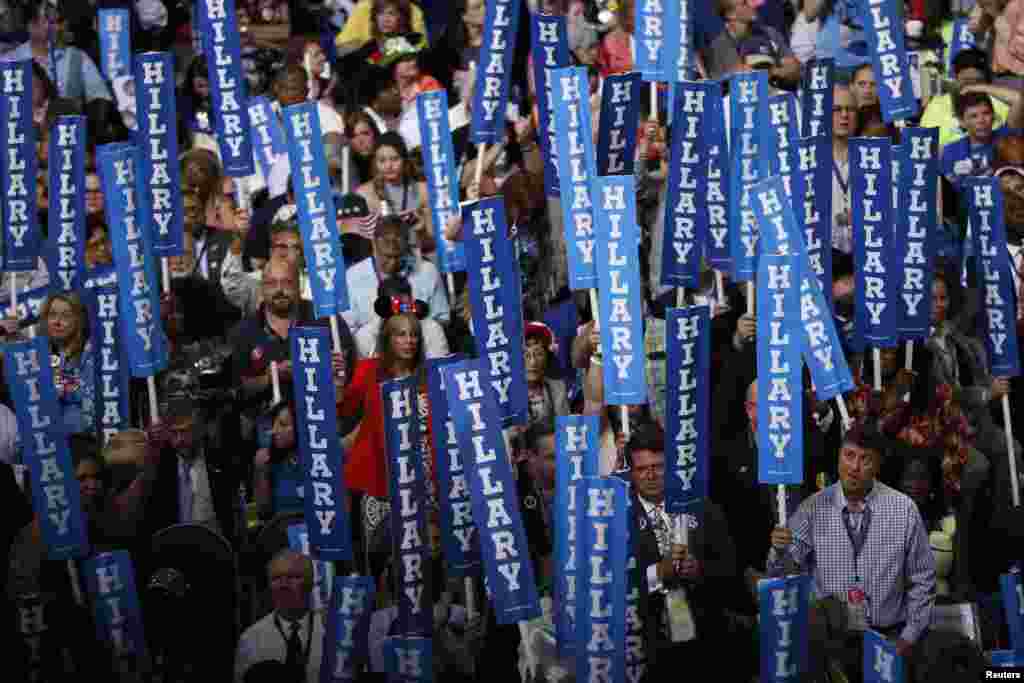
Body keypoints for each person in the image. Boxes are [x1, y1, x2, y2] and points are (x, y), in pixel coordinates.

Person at [768, 422, 936, 680]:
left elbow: (923, 579)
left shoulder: (904, 510)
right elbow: (785, 576)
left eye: (865, 460)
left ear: (877, 466)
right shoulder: (812, 509)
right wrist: (778, 552)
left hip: (889, 639)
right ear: (838, 458)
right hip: (831, 644)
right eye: (849, 456)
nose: (854, 467)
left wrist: (908, 638)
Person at [626, 423, 738, 679]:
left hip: (709, 639)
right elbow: (617, 585)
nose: (651, 475)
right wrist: (658, 573)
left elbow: (731, 566)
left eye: (658, 466)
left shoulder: (701, 506)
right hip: (652, 647)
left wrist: (700, 570)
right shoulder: (619, 519)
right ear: (631, 473)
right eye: (642, 469)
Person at [343, 216, 449, 336]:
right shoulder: (352, 276)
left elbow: (442, 320)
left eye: (398, 257)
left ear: (408, 246)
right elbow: (349, 328)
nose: (393, 263)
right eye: (387, 257)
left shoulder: (427, 271)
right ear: (374, 246)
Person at [235, 550, 324, 683]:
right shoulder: (251, 639)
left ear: (310, 583)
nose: (283, 585)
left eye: (293, 577)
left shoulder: (329, 631)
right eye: (276, 578)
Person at [920, 48, 1014, 151]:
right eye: (966, 81)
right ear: (956, 77)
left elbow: (1018, 101)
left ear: (985, 78)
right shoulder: (938, 104)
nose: (970, 87)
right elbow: (925, 143)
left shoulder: (1001, 103)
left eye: (976, 82)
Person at [39, 292, 94, 435]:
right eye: (52, 314)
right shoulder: (38, 352)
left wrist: (61, 387)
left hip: (82, 436)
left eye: (66, 316)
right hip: (45, 437)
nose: (57, 321)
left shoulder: (90, 351)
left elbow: (89, 395)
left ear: (78, 320)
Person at [354, 278, 449, 359]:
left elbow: (439, 370)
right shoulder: (364, 338)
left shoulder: (432, 330)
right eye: (396, 308)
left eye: (404, 307)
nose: (401, 314)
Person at [252, 401, 304, 519]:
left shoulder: (319, 457)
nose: (275, 430)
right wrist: (261, 472)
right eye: (274, 423)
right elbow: (262, 511)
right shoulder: (269, 460)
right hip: (282, 532)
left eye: (283, 424)